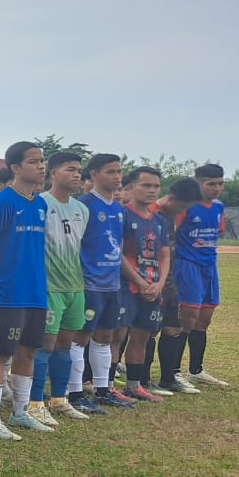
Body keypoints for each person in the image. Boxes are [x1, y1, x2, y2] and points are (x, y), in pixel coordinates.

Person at [0, 141, 50, 441]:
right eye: (33, 161)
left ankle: (21, 412)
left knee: (29, 350)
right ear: (16, 168)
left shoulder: (41, 203)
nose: (41, 166)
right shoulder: (4, 202)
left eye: (42, 161)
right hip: (8, 293)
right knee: (0, 352)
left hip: (36, 291)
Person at [37, 151, 95, 425]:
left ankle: (59, 399)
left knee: (66, 344)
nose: (76, 174)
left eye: (78, 170)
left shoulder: (81, 209)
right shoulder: (40, 205)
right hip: (49, 287)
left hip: (75, 287)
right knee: (44, 344)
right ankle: (36, 402)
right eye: (70, 169)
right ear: (52, 173)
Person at [79, 153, 138, 409]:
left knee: (105, 337)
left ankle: (103, 389)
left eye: (119, 172)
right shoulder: (84, 205)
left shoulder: (119, 209)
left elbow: (119, 247)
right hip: (88, 283)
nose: (117, 177)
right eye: (110, 172)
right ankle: (75, 393)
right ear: (93, 175)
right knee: (79, 338)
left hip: (112, 284)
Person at [118, 166, 173, 400]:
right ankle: (106, 385)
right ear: (131, 187)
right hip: (127, 286)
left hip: (152, 288)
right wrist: (140, 282)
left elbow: (165, 254)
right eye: (146, 185)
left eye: (156, 186)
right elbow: (118, 254)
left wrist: (159, 283)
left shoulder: (160, 220)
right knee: (117, 336)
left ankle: (134, 385)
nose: (152, 190)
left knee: (142, 337)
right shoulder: (122, 215)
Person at [175, 163, 231, 387]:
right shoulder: (186, 206)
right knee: (186, 319)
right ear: (198, 183)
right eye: (210, 184)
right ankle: (173, 371)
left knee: (204, 320)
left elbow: (217, 232)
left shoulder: (218, 207)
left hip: (210, 266)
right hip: (187, 265)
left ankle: (196, 371)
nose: (215, 188)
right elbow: (172, 234)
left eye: (219, 184)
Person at [155, 177, 203, 392]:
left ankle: (168, 378)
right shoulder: (153, 214)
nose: (182, 211)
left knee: (173, 326)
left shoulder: (170, 215)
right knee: (145, 331)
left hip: (169, 279)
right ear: (172, 198)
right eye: (182, 206)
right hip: (149, 280)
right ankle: (141, 380)